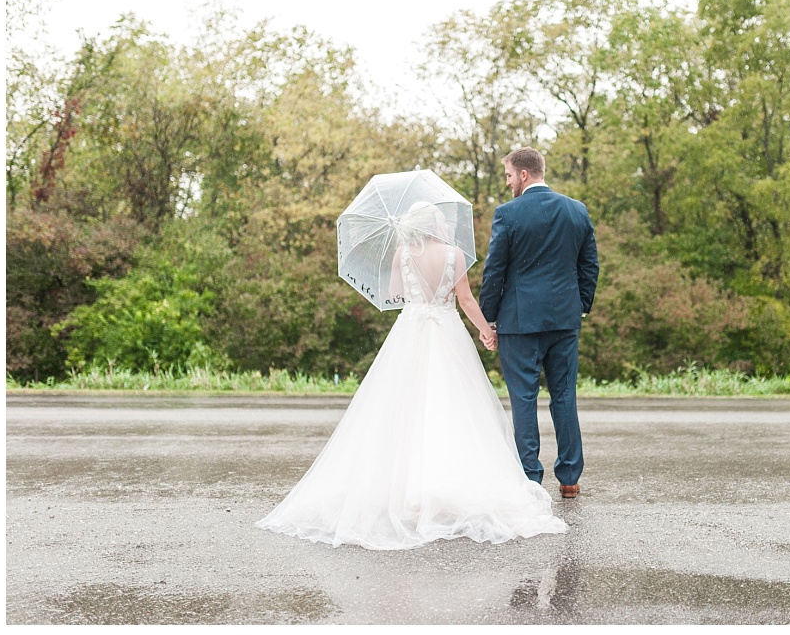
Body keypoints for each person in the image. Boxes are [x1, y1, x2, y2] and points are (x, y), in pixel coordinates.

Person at [256, 201, 568, 550]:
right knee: (451, 408)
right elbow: (465, 300)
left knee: (402, 408)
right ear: (434, 223)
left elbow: (394, 295)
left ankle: (403, 490)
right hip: (446, 332)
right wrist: (486, 330)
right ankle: (445, 485)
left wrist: (415, 284)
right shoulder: (455, 255)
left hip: (411, 331)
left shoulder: (402, 254)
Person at [479, 148, 599, 499]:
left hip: (519, 321)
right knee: (564, 396)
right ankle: (570, 478)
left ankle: (530, 479)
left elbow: (495, 270)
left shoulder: (508, 214)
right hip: (564, 320)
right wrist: (580, 307)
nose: (507, 182)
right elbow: (589, 266)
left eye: (508, 175)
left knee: (523, 399)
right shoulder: (576, 210)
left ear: (524, 175)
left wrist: (489, 318)